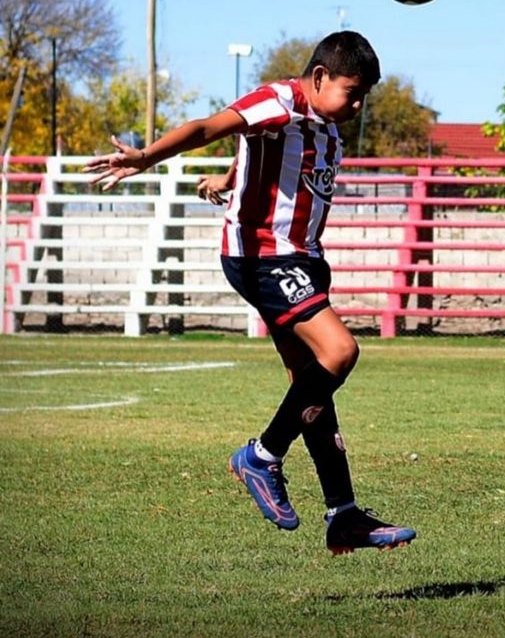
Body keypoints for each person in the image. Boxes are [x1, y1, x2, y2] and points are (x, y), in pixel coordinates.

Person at [84, 31, 415, 555]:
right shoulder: (279, 99)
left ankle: (344, 515)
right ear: (320, 77)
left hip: (304, 259)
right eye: (352, 91)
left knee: (311, 388)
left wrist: (231, 177)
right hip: (264, 256)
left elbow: (263, 156)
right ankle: (261, 456)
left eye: (364, 96)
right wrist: (146, 157)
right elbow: (209, 126)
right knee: (340, 351)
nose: (358, 104)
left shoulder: (325, 128)